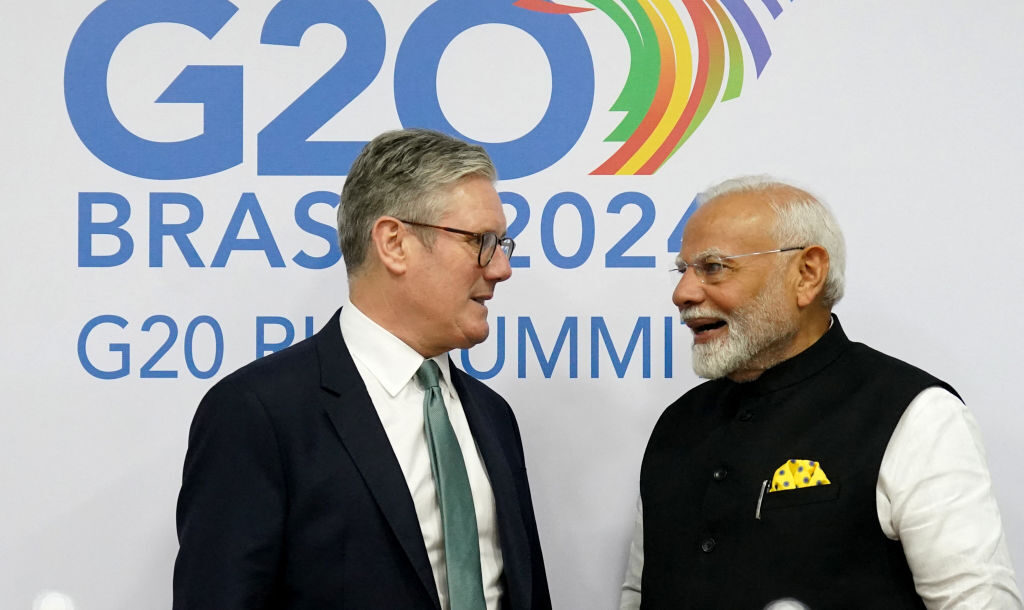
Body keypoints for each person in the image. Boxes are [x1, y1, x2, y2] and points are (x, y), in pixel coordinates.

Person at [173, 128, 551, 610]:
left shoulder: (494, 417)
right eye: (481, 241)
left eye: (503, 244)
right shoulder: (259, 414)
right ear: (394, 243)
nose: (501, 268)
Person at [620, 175, 1022, 609]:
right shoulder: (677, 423)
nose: (682, 293)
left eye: (713, 267)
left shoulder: (916, 415)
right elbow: (641, 594)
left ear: (807, 273)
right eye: (683, 270)